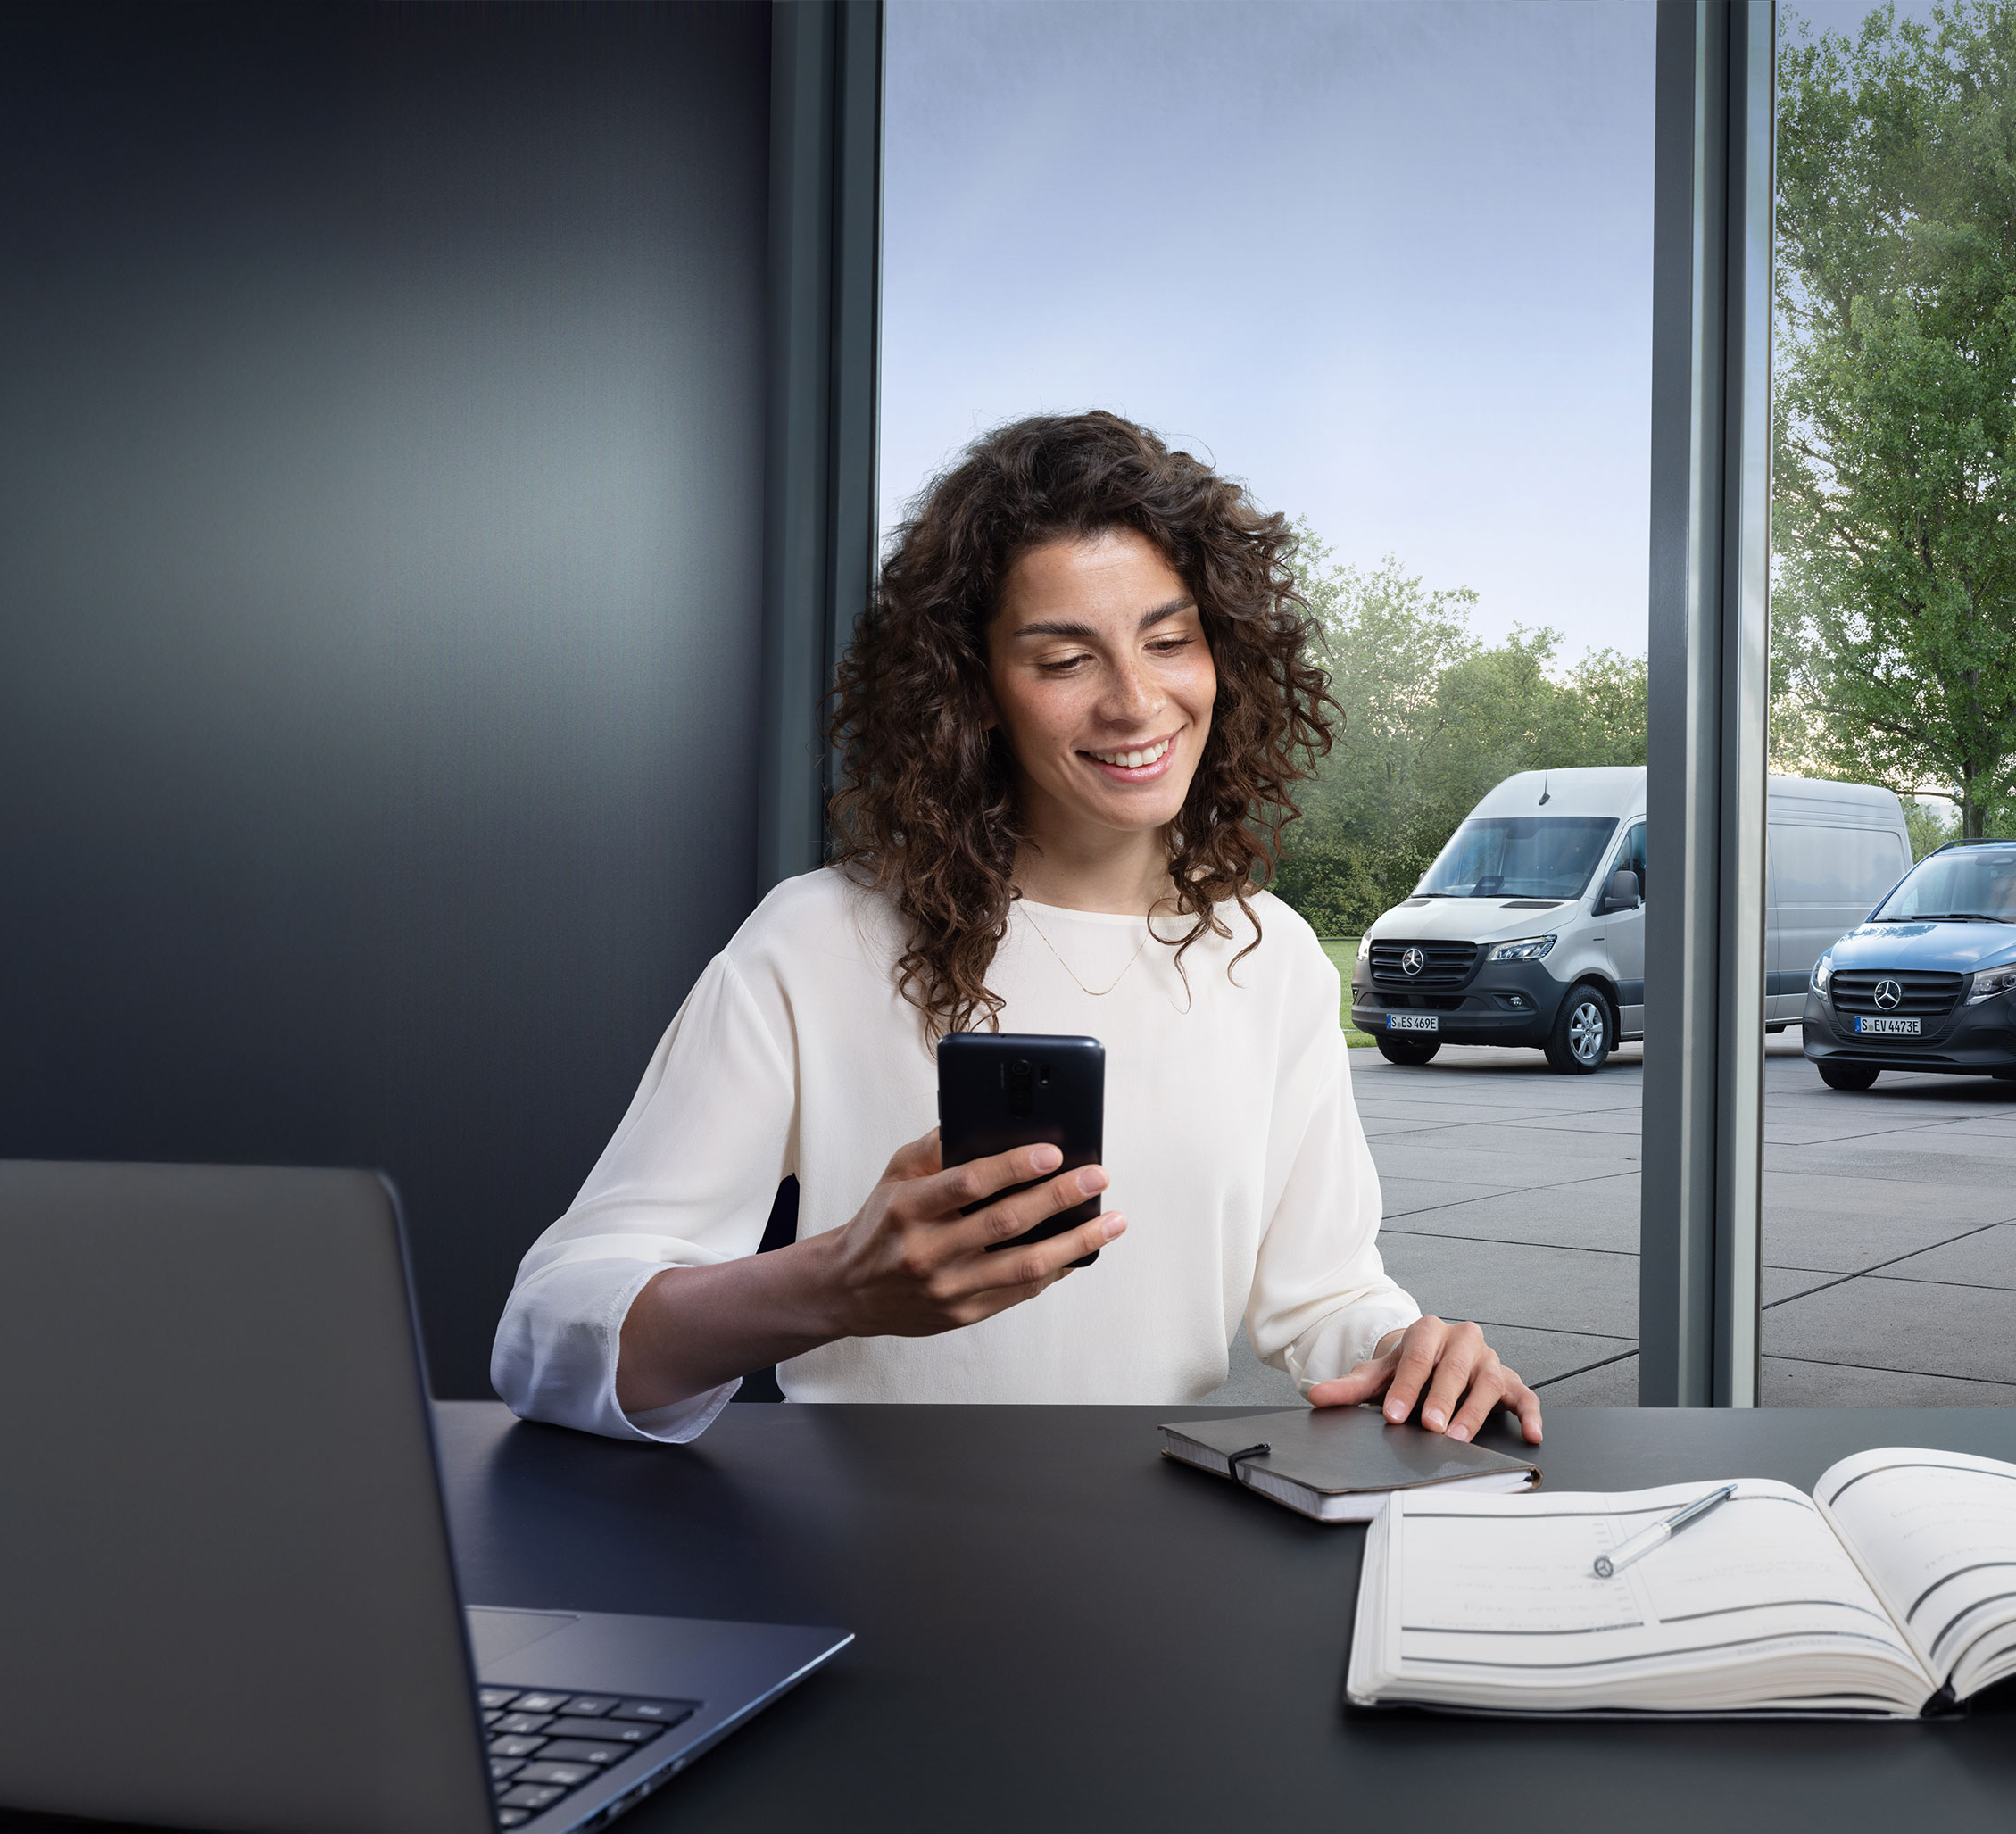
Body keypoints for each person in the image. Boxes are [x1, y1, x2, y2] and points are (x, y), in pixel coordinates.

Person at [491, 411, 1542, 1446]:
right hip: (862, 1561)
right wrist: (833, 1285)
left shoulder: (1270, 960)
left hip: (1155, 1547)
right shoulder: (813, 941)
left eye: (1168, 641)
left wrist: (1412, 1348)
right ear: (974, 690)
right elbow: (545, 1337)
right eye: (1062, 659)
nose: (1136, 703)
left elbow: (1322, 1299)